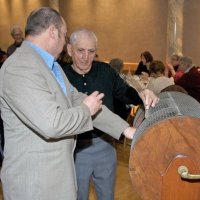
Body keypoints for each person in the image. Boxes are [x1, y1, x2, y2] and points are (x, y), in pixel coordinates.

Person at [0, 7, 145, 200]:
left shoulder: (52, 66)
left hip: (59, 178)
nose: (64, 42)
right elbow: (52, 123)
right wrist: (86, 110)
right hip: (35, 184)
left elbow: (79, 99)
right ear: (53, 32)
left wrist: (127, 130)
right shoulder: (20, 66)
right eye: (64, 35)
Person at [63, 28, 159, 200]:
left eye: (91, 51)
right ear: (70, 49)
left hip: (105, 144)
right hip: (74, 147)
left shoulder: (105, 71)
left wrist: (143, 93)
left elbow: (126, 93)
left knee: (107, 195)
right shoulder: (61, 75)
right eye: (80, 51)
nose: (86, 57)